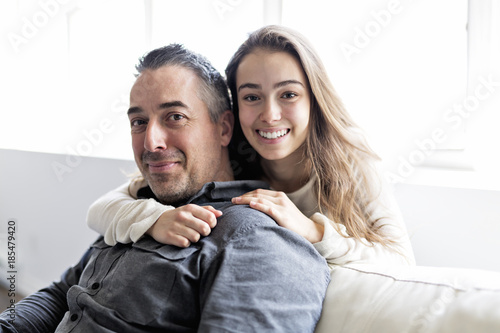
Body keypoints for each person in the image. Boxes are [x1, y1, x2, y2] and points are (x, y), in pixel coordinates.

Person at [0, 44, 330, 332]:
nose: (151, 142)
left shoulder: (254, 238)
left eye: (174, 117)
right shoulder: (139, 209)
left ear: (224, 128)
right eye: (138, 122)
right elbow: (64, 293)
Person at [87, 25, 415, 267]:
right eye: (252, 97)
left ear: (313, 99)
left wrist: (313, 230)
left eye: (288, 94)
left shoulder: (349, 159)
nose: (270, 115)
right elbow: (103, 207)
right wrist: (154, 220)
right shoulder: (231, 155)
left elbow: (401, 262)